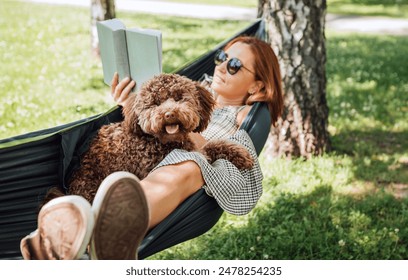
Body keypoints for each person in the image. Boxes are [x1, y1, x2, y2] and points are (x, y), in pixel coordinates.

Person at [20, 36, 284, 260]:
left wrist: (195, 139)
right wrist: (129, 104)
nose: (223, 67)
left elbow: (239, 152)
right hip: (135, 160)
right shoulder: (193, 86)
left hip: (186, 165)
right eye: (222, 57)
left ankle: (91, 233)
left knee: (189, 165)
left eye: (235, 65)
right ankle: (65, 239)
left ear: (257, 85)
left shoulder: (244, 114)